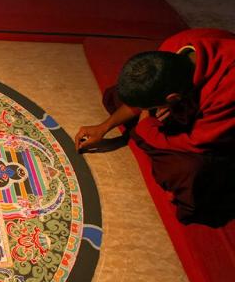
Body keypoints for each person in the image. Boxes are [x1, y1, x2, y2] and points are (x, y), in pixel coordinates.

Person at [75, 28, 235, 226]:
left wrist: (147, 127)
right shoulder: (177, 45)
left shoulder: (229, 87)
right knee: (115, 96)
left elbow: (198, 142)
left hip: (223, 128)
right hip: (187, 100)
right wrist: (104, 126)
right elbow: (142, 99)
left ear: (173, 99)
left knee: (188, 171)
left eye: (149, 107)